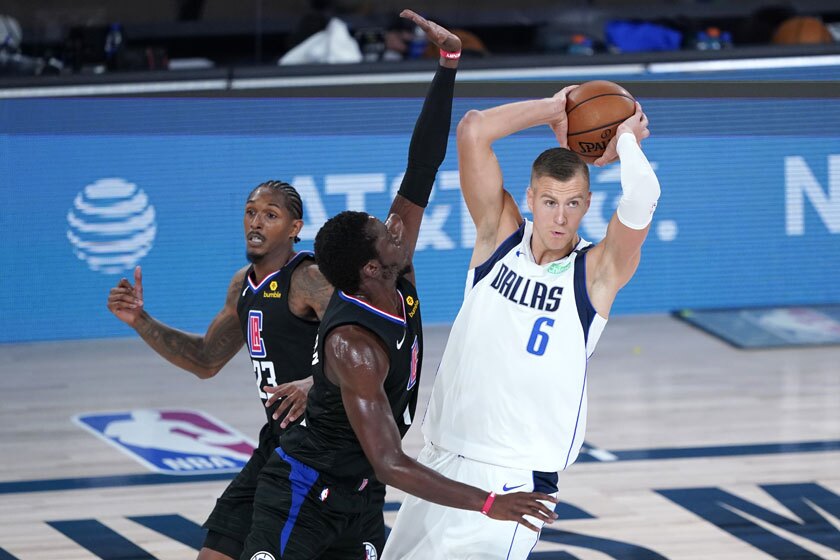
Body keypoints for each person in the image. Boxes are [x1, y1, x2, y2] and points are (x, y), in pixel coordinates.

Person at [239, 10, 558, 560]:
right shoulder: (353, 344)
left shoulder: (393, 265)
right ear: (370, 268)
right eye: (382, 234)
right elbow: (391, 459)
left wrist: (448, 66)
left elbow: (422, 165)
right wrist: (489, 504)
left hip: (361, 498)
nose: (394, 229)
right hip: (305, 493)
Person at [383, 87, 660, 559]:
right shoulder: (499, 237)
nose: (560, 216)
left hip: (515, 477)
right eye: (550, 201)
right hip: (442, 460)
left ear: (588, 205)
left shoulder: (596, 272)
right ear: (530, 197)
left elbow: (644, 196)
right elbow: (474, 130)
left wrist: (627, 142)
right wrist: (556, 109)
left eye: (573, 204)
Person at [107, 178, 332, 560]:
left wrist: (314, 382)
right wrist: (140, 320)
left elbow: (361, 347)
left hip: (320, 450)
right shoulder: (242, 285)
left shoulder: (309, 279)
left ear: (295, 229)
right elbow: (206, 360)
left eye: (270, 215)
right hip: (277, 443)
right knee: (214, 553)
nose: (256, 223)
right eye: (251, 212)